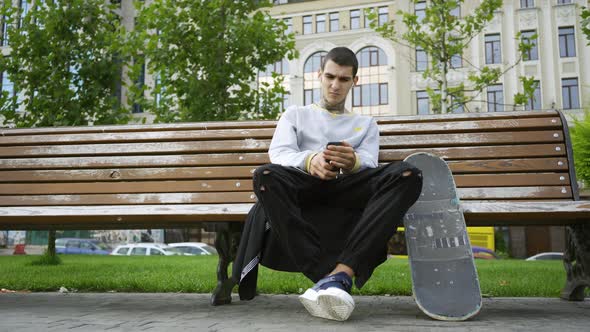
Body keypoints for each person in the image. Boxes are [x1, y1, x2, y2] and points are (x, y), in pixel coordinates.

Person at [231, 47, 423, 321]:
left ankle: (339, 274)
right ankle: (331, 278)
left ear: (354, 82)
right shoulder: (295, 115)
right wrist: (310, 161)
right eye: (330, 77)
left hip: (347, 191)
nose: (335, 85)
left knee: (408, 174)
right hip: (304, 190)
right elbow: (280, 154)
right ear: (319, 75)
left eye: (344, 79)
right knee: (266, 175)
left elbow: (370, 162)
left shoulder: (365, 124)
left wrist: (353, 161)